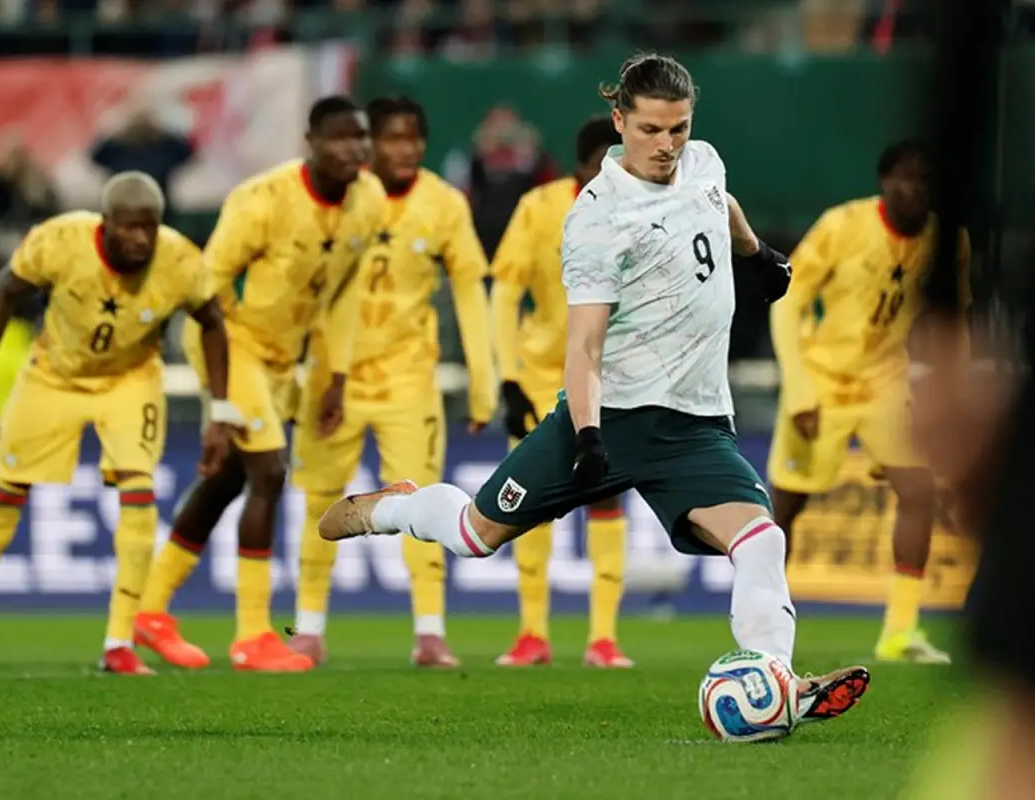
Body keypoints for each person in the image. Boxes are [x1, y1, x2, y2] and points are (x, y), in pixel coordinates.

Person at [318, 53, 869, 726]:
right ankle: (396, 507)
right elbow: (583, 345)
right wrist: (585, 434)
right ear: (619, 122)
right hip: (610, 417)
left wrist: (755, 256)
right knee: (474, 533)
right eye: (651, 131)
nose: (667, 146)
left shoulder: (704, 162)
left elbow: (718, 201)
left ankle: (777, 681)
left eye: (679, 129)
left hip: (694, 426)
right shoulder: (597, 219)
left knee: (760, 539)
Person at [0, 171, 237, 676]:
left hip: (129, 379)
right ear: (105, 225)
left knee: (138, 493)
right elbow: (4, 293)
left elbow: (212, 321)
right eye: (130, 228)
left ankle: (119, 643)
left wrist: (218, 410)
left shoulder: (178, 259)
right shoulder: (60, 240)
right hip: (54, 376)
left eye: (150, 227)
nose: (142, 239)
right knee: (5, 494)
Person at [133, 96, 387, 673]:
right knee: (270, 469)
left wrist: (336, 374)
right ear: (310, 141)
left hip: (280, 360)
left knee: (227, 480)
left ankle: (148, 611)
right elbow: (205, 289)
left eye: (360, 138)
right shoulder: (262, 200)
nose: (353, 149)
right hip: (230, 342)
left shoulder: (368, 201)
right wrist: (223, 399)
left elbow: (344, 292)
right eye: (339, 138)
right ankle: (251, 635)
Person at [286, 97, 496, 668]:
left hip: (408, 379)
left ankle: (430, 632)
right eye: (392, 139)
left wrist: (484, 380)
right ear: (367, 144)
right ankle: (307, 628)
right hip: (336, 379)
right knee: (318, 501)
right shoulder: (344, 203)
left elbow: (471, 288)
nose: (405, 150)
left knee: (421, 500)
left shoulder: (444, 204)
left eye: (414, 139)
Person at [767, 139, 971, 664]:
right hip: (823, 380)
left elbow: (954, 324)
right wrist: (799, 388)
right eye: (903, 177)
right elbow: (787, 300)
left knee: (919, 490)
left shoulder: (950, 243)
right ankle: (763, 628)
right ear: (884, 180)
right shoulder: (843, 225)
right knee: (785, 508)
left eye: (924, 180)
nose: (913, 189)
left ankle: (900, 633)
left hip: (886, 382)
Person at [490, 115, 633, 668]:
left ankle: (602, 638)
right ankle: (532, 633)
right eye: (605, 162)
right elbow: (505, 290)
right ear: (581, 165)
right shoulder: (541, 207)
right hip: (539, 373)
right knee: (525, 498)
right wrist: (505, 376)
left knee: (605, 492)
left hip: (609, 373)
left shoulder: (645, 210)